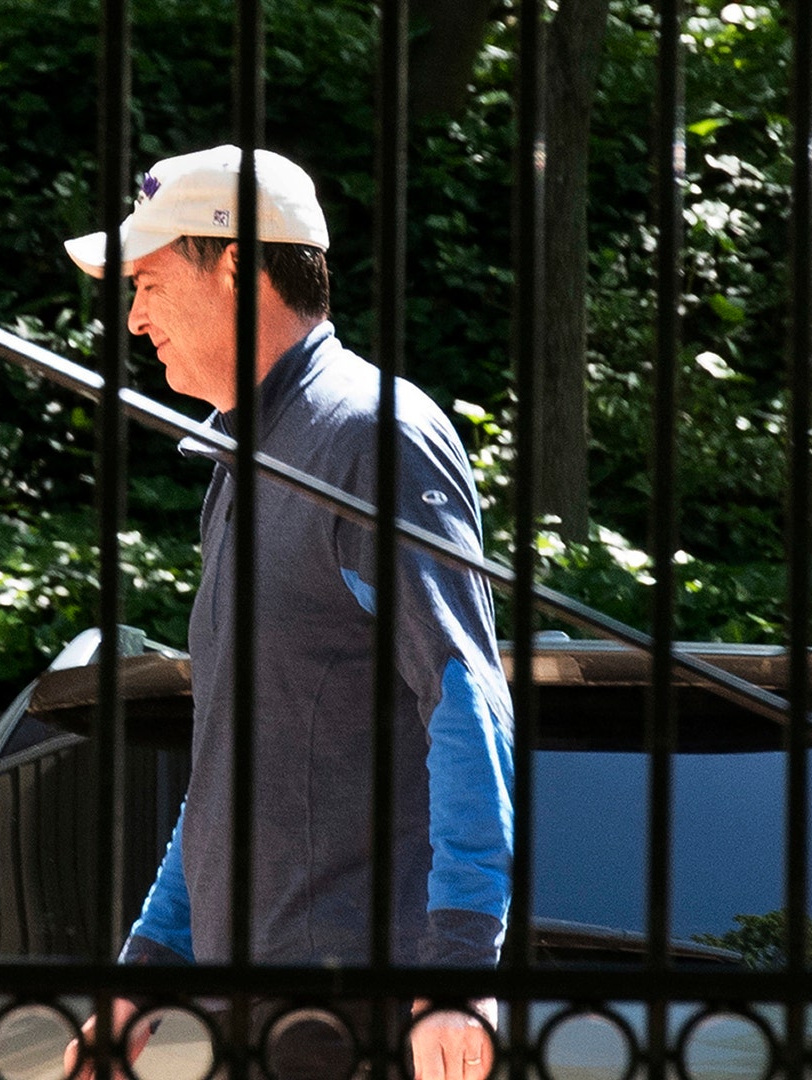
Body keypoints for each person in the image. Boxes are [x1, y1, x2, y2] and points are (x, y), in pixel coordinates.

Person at [58, 145, 515, 1080]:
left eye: (147, 280)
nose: (134, 317)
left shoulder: (369, 436)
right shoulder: (243, 460)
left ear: (234, 264)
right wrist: (146, 968)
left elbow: (469, 698)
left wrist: (460, 975)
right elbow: (234, 761)